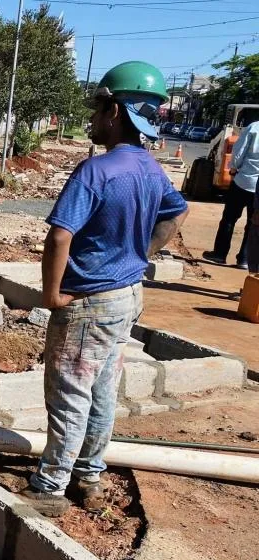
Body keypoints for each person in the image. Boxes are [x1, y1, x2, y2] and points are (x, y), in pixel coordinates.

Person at [19, 61, 189, 517]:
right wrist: (141, 253)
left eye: (97, 110)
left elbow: (60, 236)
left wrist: (51, 295)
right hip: (128, 296)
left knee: (71, 394)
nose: (92, 119)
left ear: (115, 111)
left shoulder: (96, 171)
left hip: (89, 303)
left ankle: (49, 486)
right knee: (102, 391)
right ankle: (89, 476)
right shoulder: (152, 169)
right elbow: (177, 212)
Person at [202, 111, 259, 270]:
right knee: (253, 224)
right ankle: (244, 259)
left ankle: (220, 254)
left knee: (229, 218)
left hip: (243, 181)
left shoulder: (254, 128)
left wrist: (234, 168)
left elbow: (239, 151)